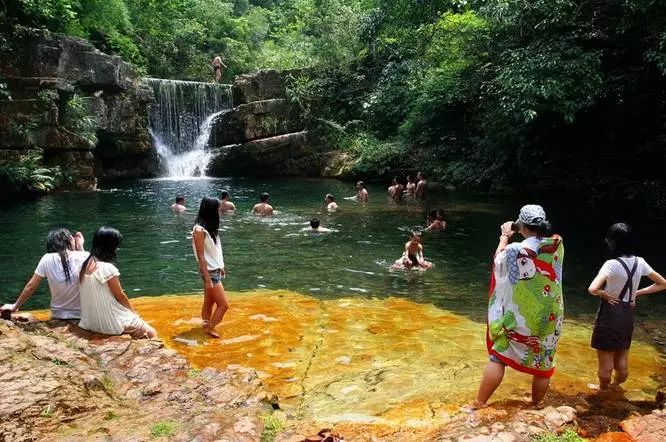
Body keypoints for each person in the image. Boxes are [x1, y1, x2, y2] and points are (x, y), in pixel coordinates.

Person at [471, 205, 563, 409]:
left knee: (499, 356)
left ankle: (479, 403)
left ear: (521, 225)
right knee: (543, 360)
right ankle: (537, 405)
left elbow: (498, 263)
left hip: (523, 316)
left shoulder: (515, 250)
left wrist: (505, 236)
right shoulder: (556, 243)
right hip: (550, 313)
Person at [588, 223, 666, 390]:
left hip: (609, 315)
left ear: (612, 243)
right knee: (622, 354)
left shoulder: (611, 264)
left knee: (605, 359)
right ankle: (617, 384)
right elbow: (662, 284)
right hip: (627, 314)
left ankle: (603, 388)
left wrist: (604, 294)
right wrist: (635, 293)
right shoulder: (641, 262)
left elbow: (592, 289)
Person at [78, 227, 157, 339]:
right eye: (116, 245)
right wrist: (134, 314)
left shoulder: (84, 266)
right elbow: (120, 296)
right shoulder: (107, 268)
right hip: (107, 324)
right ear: (109, 246)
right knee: (152, 332)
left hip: (89, 322)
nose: (117, 249)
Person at [2, 228, 88, 320]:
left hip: (58, 315)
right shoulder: (84, 256)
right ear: (70, 240)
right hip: (81, 315)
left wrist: (15, 306)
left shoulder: (47, 258)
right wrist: (81, 248)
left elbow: (31, 286)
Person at [192, 197, 229, 338]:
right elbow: (201, 256)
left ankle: (206, 324)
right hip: (210, 272)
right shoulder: (199, 230)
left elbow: (215, 250)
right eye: (217, 209)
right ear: (211, 210)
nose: (220, 211)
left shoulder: (209, 227)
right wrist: (207, 278)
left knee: (209, 301)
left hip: (215, 270)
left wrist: (221, 266)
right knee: (224, 305)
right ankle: (210, 327)